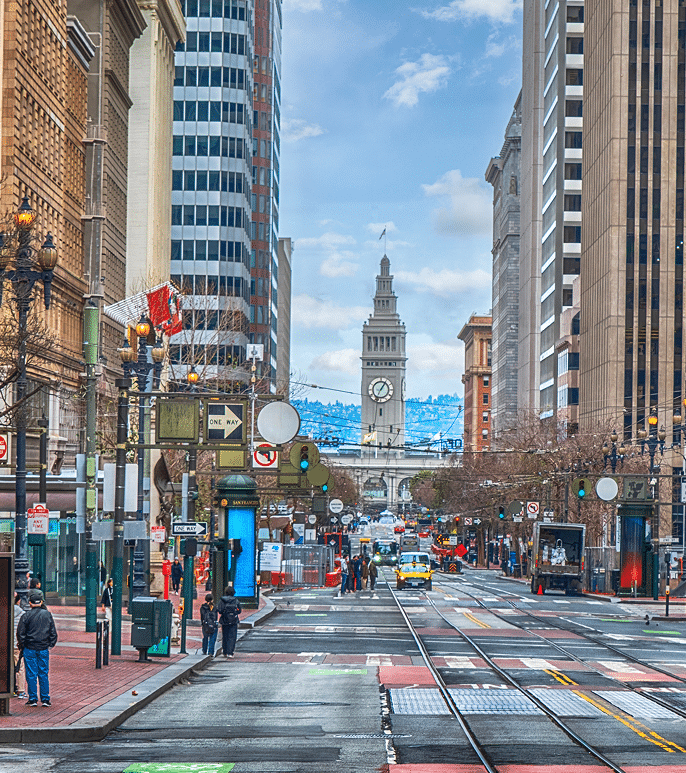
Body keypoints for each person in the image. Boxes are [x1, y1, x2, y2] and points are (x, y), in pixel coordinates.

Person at [16, 590, 57, 707]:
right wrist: (50, 644)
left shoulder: (26, 615)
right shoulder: (47, 614)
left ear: (30, 603)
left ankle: (33, 698)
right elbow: (53, 633)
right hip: (43, 647)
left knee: (31, 674)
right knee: (43, 673)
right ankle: (45, 698)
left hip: (30, 647)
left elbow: (20, 633)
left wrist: (23, 645)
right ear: (41, 602)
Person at [216, 586, 241, 657]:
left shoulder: (222, 600)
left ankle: (225, 651)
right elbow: (239, 611)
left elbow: (220, 610)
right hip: (233, 620)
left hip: (224, 620)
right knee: (232, 636)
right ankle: (230, 652)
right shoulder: (236, 600)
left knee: (225, 636)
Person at [13, 594, 27, 699]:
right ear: (19, 601)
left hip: (5, 645)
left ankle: (11, 688)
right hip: (17, 645)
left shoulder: (4, 612)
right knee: (20, 667)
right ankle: (21, 690)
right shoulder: (23, 614)